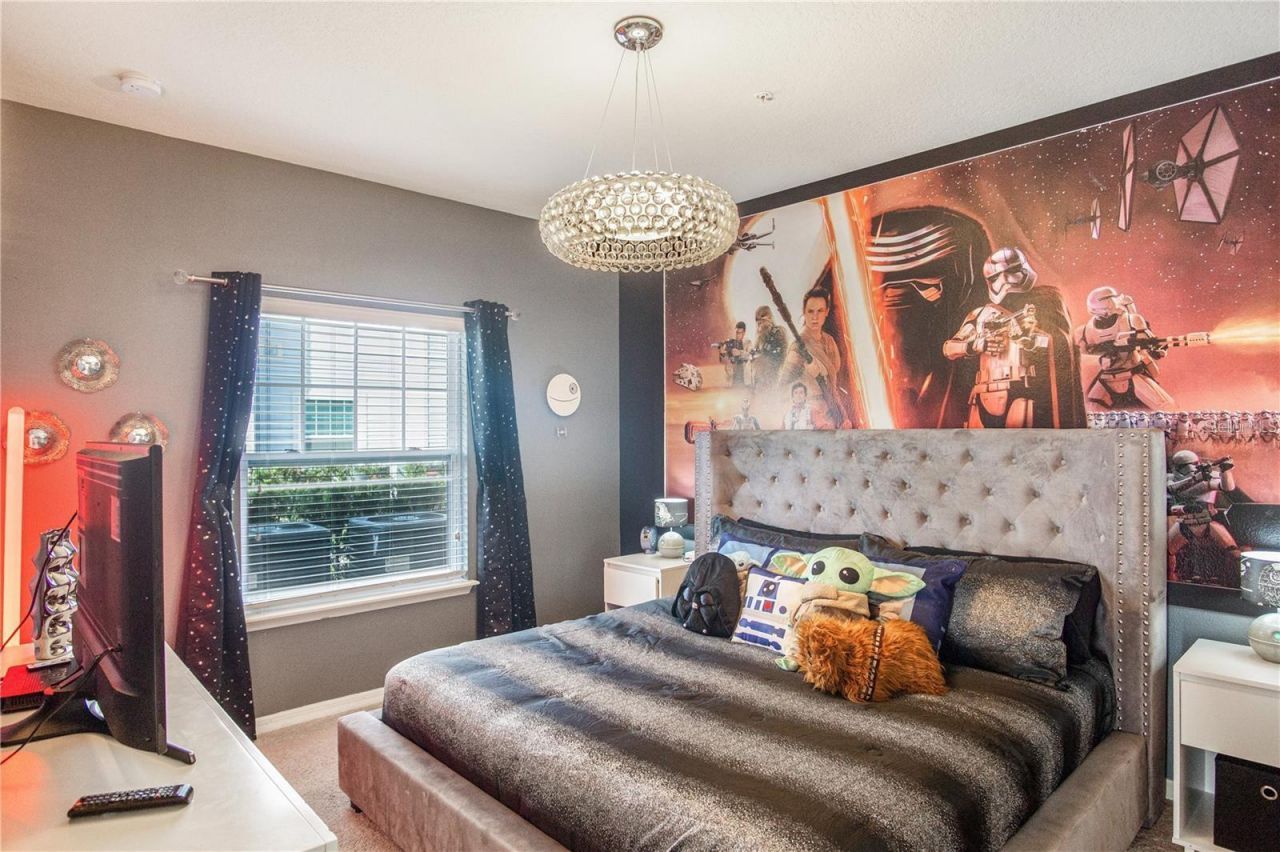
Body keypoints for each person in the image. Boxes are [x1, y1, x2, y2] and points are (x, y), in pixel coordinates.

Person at [941, 247, 1085, 428]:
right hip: (982, 395)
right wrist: (976, 345)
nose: (1004, 280)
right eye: (997, 276)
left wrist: (1028, 340)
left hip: (1020, 392)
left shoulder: (1043, 304)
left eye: (1011, 271)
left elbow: (1058, 343)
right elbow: (949, 349)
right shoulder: (981, 314)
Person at [1076, 286, 1175, 410]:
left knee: (1167, 408)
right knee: (1089, 414)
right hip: (1105, 380)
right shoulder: (1084, 332)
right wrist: (1100, 359)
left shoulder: (1132, 321)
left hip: (1132, 376)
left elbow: (1150, 344)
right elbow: (1079, 359)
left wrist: (1156, 350)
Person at [778, 288, 848, 428]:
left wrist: (844, 416)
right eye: (810, 311)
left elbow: (832, 387)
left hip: (831, 413)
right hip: (808, 417)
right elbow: (782, 387)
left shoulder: (829, 342)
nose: (815, 317)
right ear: (804, 312)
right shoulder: (798, 347)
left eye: (820, 311)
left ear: (827, 312)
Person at [751, 305, 788, 389]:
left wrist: (763, 359)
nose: (760, 321)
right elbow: (754, 353)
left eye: (762, 317)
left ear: (770, 317)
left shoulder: (778, 331)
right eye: (757, 319)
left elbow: (780, 355)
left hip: (772, 375)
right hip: (759, 377)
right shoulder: (759, 337)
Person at [716, 321, 752, 386]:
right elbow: (724, 361)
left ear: (744, 333)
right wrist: (722, 353)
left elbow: (750, 356)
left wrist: (740, 353)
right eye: (736, 332)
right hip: (732, 380)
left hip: (745, 380)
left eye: (739, 333)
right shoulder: (731, 343)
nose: (737, 335)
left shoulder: (748, 343)